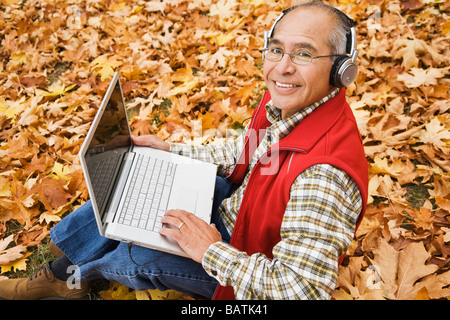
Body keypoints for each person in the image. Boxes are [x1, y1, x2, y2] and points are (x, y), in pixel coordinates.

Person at [0, 2, 368, 300]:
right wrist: (171, 150)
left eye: (304, 54)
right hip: (242, 212)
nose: (282, 68)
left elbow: (301, 291)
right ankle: (58, 266)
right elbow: (252, 148)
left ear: (340, 70)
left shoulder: (323, 177)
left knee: (137, 254)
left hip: (246, 263)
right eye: (276, 50)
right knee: (133, 179)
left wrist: (208, 250)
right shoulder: (293, 105)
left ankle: (74, 281)